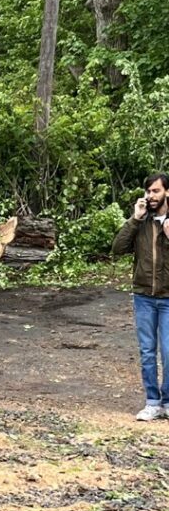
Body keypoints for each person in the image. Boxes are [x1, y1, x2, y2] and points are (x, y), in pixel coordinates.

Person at [112, 173, 169, 420]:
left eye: (155, 191)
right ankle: (152, 402)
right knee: (147, 351)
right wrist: (135, 219)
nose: (150, 196)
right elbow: (117, 248)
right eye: (148, 191)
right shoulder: (142, 221)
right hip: (144, 296)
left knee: (168, 352)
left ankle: (167, 401)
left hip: (168, 298)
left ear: (167, 192)